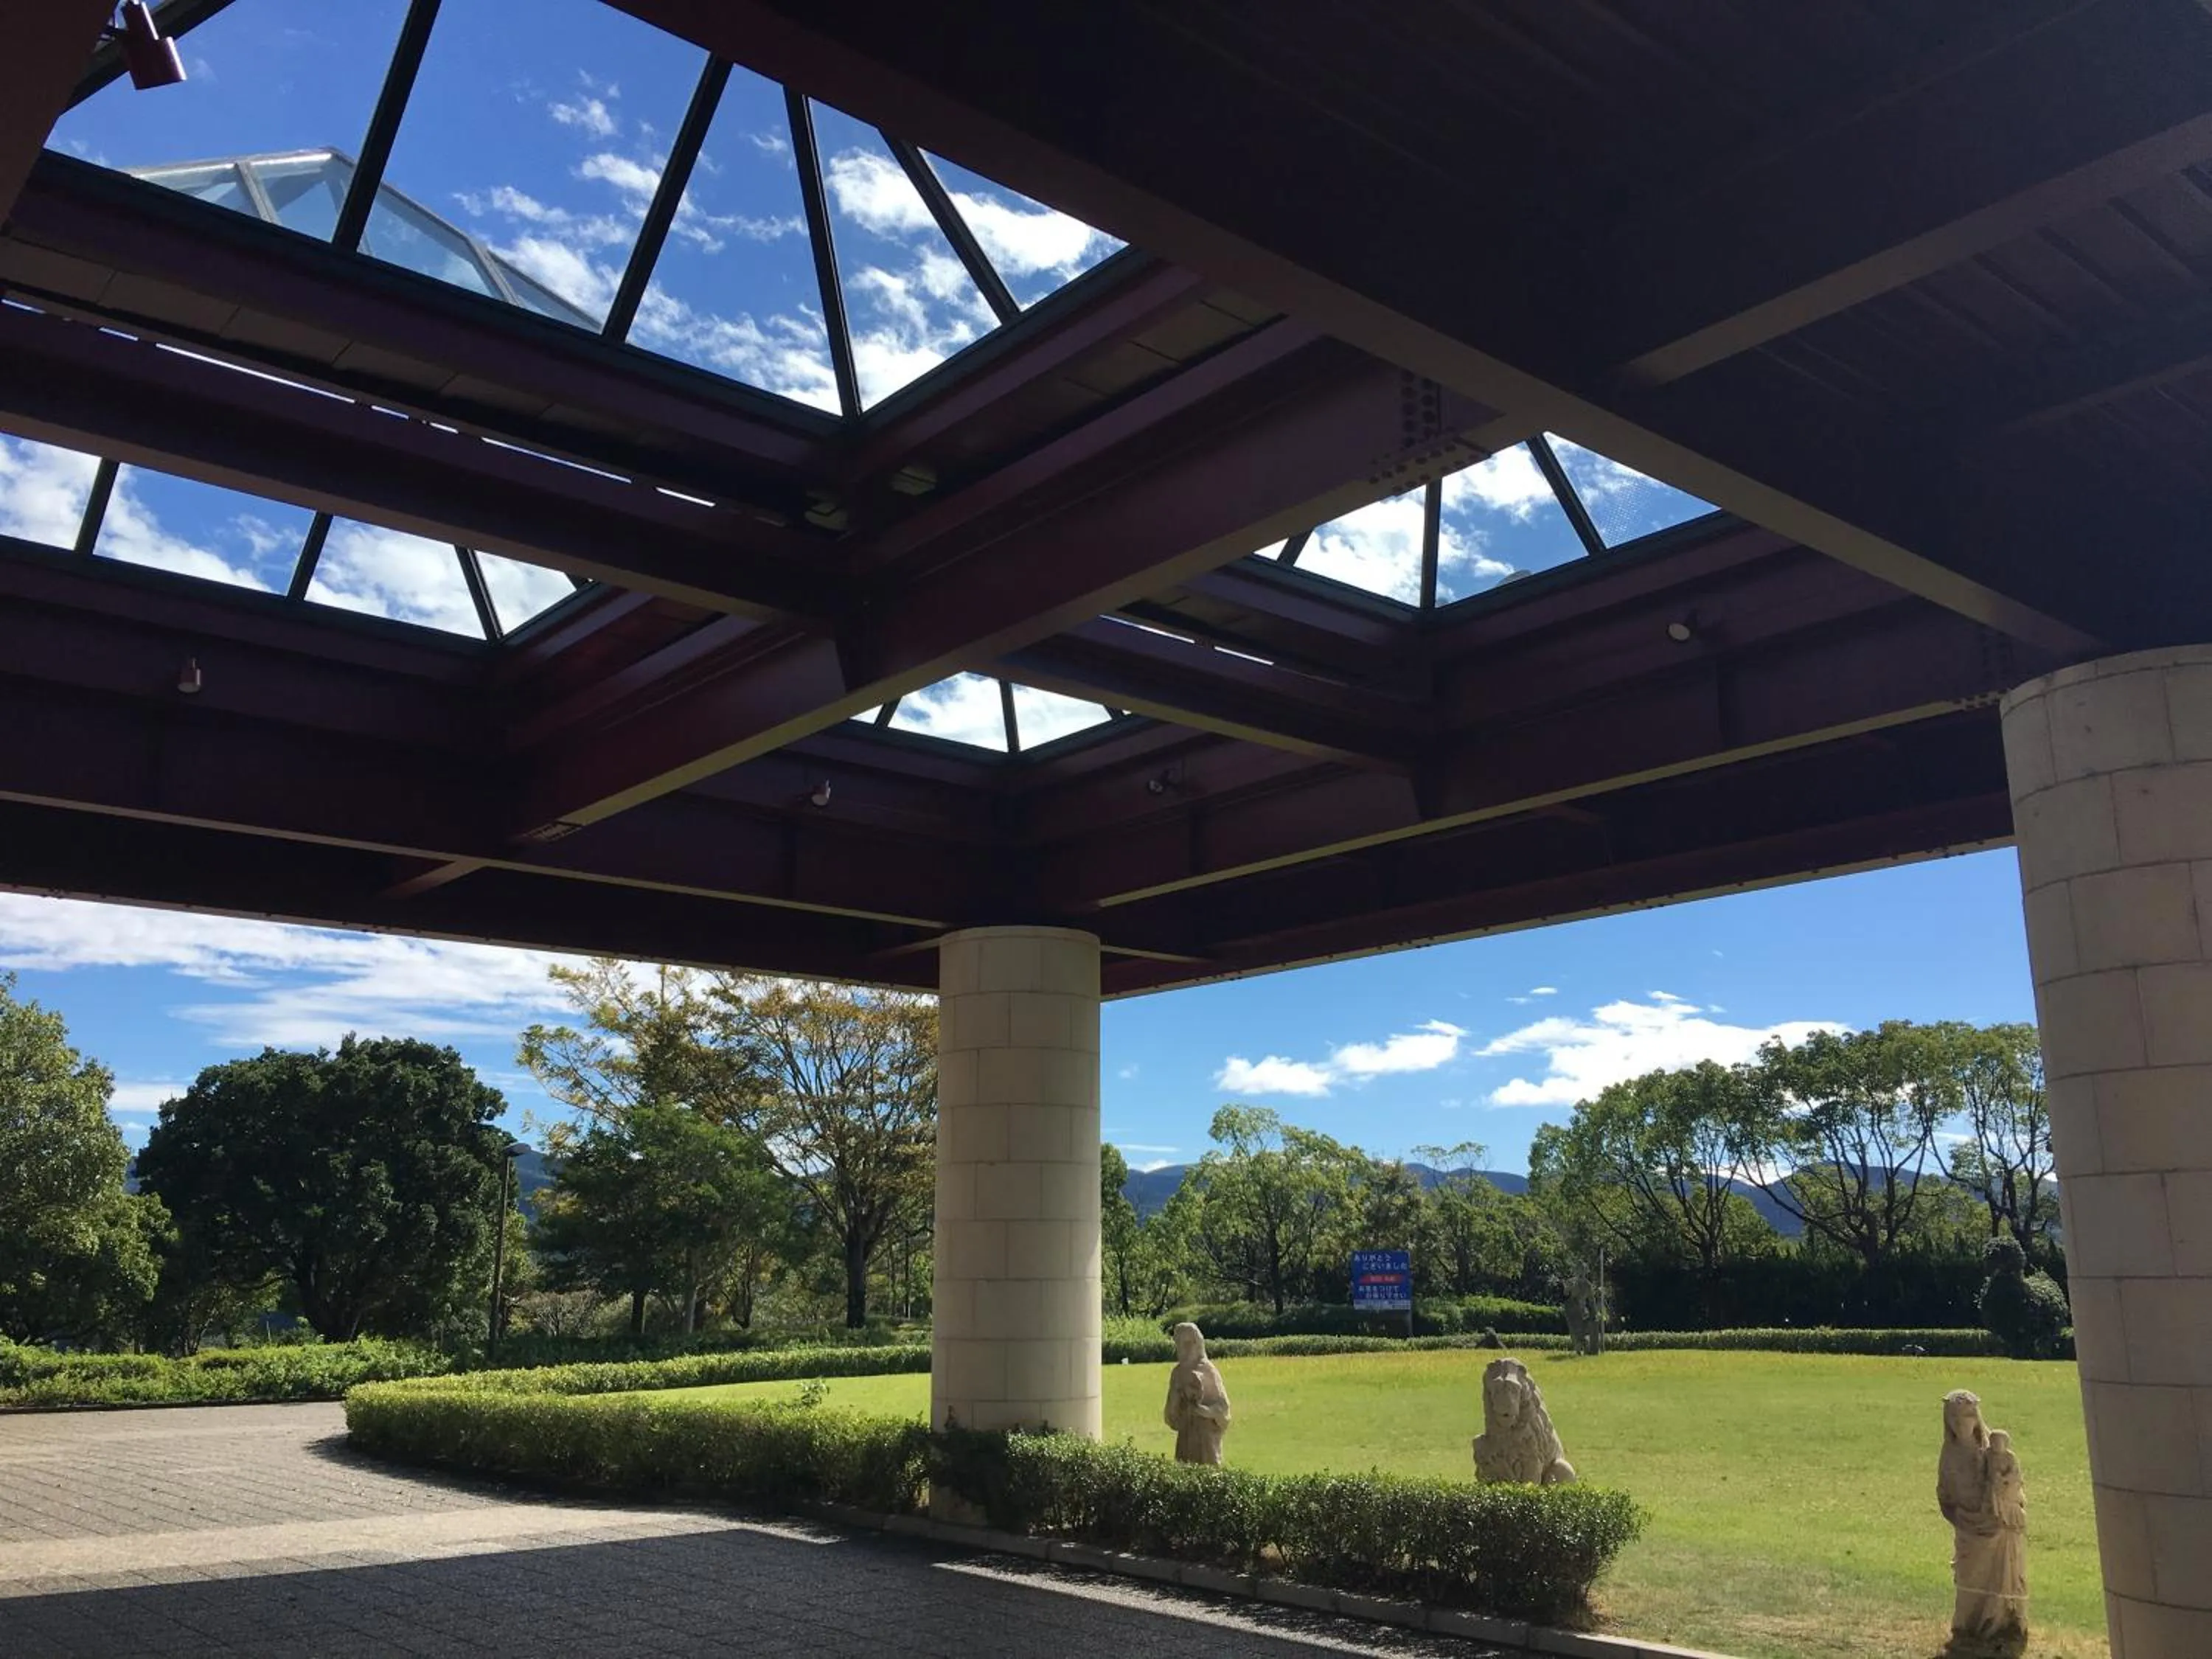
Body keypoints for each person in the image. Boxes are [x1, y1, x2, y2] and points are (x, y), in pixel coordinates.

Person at [1937, 1391, 2027, 1649]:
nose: (1959, 1423)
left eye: (1965, 1416)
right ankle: (1969, 1626)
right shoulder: (1949, 1453)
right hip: (1968, 1528)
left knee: (1999, 1578)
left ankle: (1998, 1624)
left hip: (1995, 1526)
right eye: (1953, 1417)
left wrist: (2002, 1498)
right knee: (1968, 1579)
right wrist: (1958, 1518)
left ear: (1976, 1419)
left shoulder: (1992, 1452)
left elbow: (2014, 1485)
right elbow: (1944, 1493)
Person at [1163, 1321, 1231, 1464]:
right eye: (1179, 1344)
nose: (1183, 1349)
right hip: (1186, 1434)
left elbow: (1223, 1408)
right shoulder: (1177, 1373)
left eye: (1188, 1344)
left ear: (1197, 1344)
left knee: (1208, 1473)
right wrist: (1176, 1399)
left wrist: (1206, 1411)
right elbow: (1171, 1417)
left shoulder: (1208, 1370)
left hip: (1206, 1439)